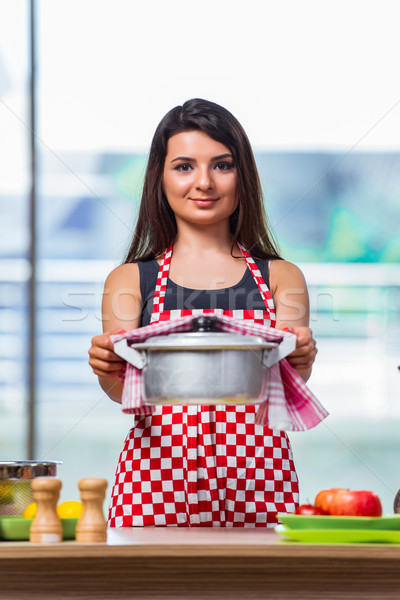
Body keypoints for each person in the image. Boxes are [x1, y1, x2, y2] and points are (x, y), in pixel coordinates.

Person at [88, 98, 318, 528]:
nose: (204, 183)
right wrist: (108, 367)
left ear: (241, 175)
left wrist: (302, 359)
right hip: (154, 485)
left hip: (259, 484)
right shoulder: (129, 281)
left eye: (222, 165)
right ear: (160, 177)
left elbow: (290, 383)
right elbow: (122, 391)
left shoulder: (281, 277)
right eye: (184, 166)